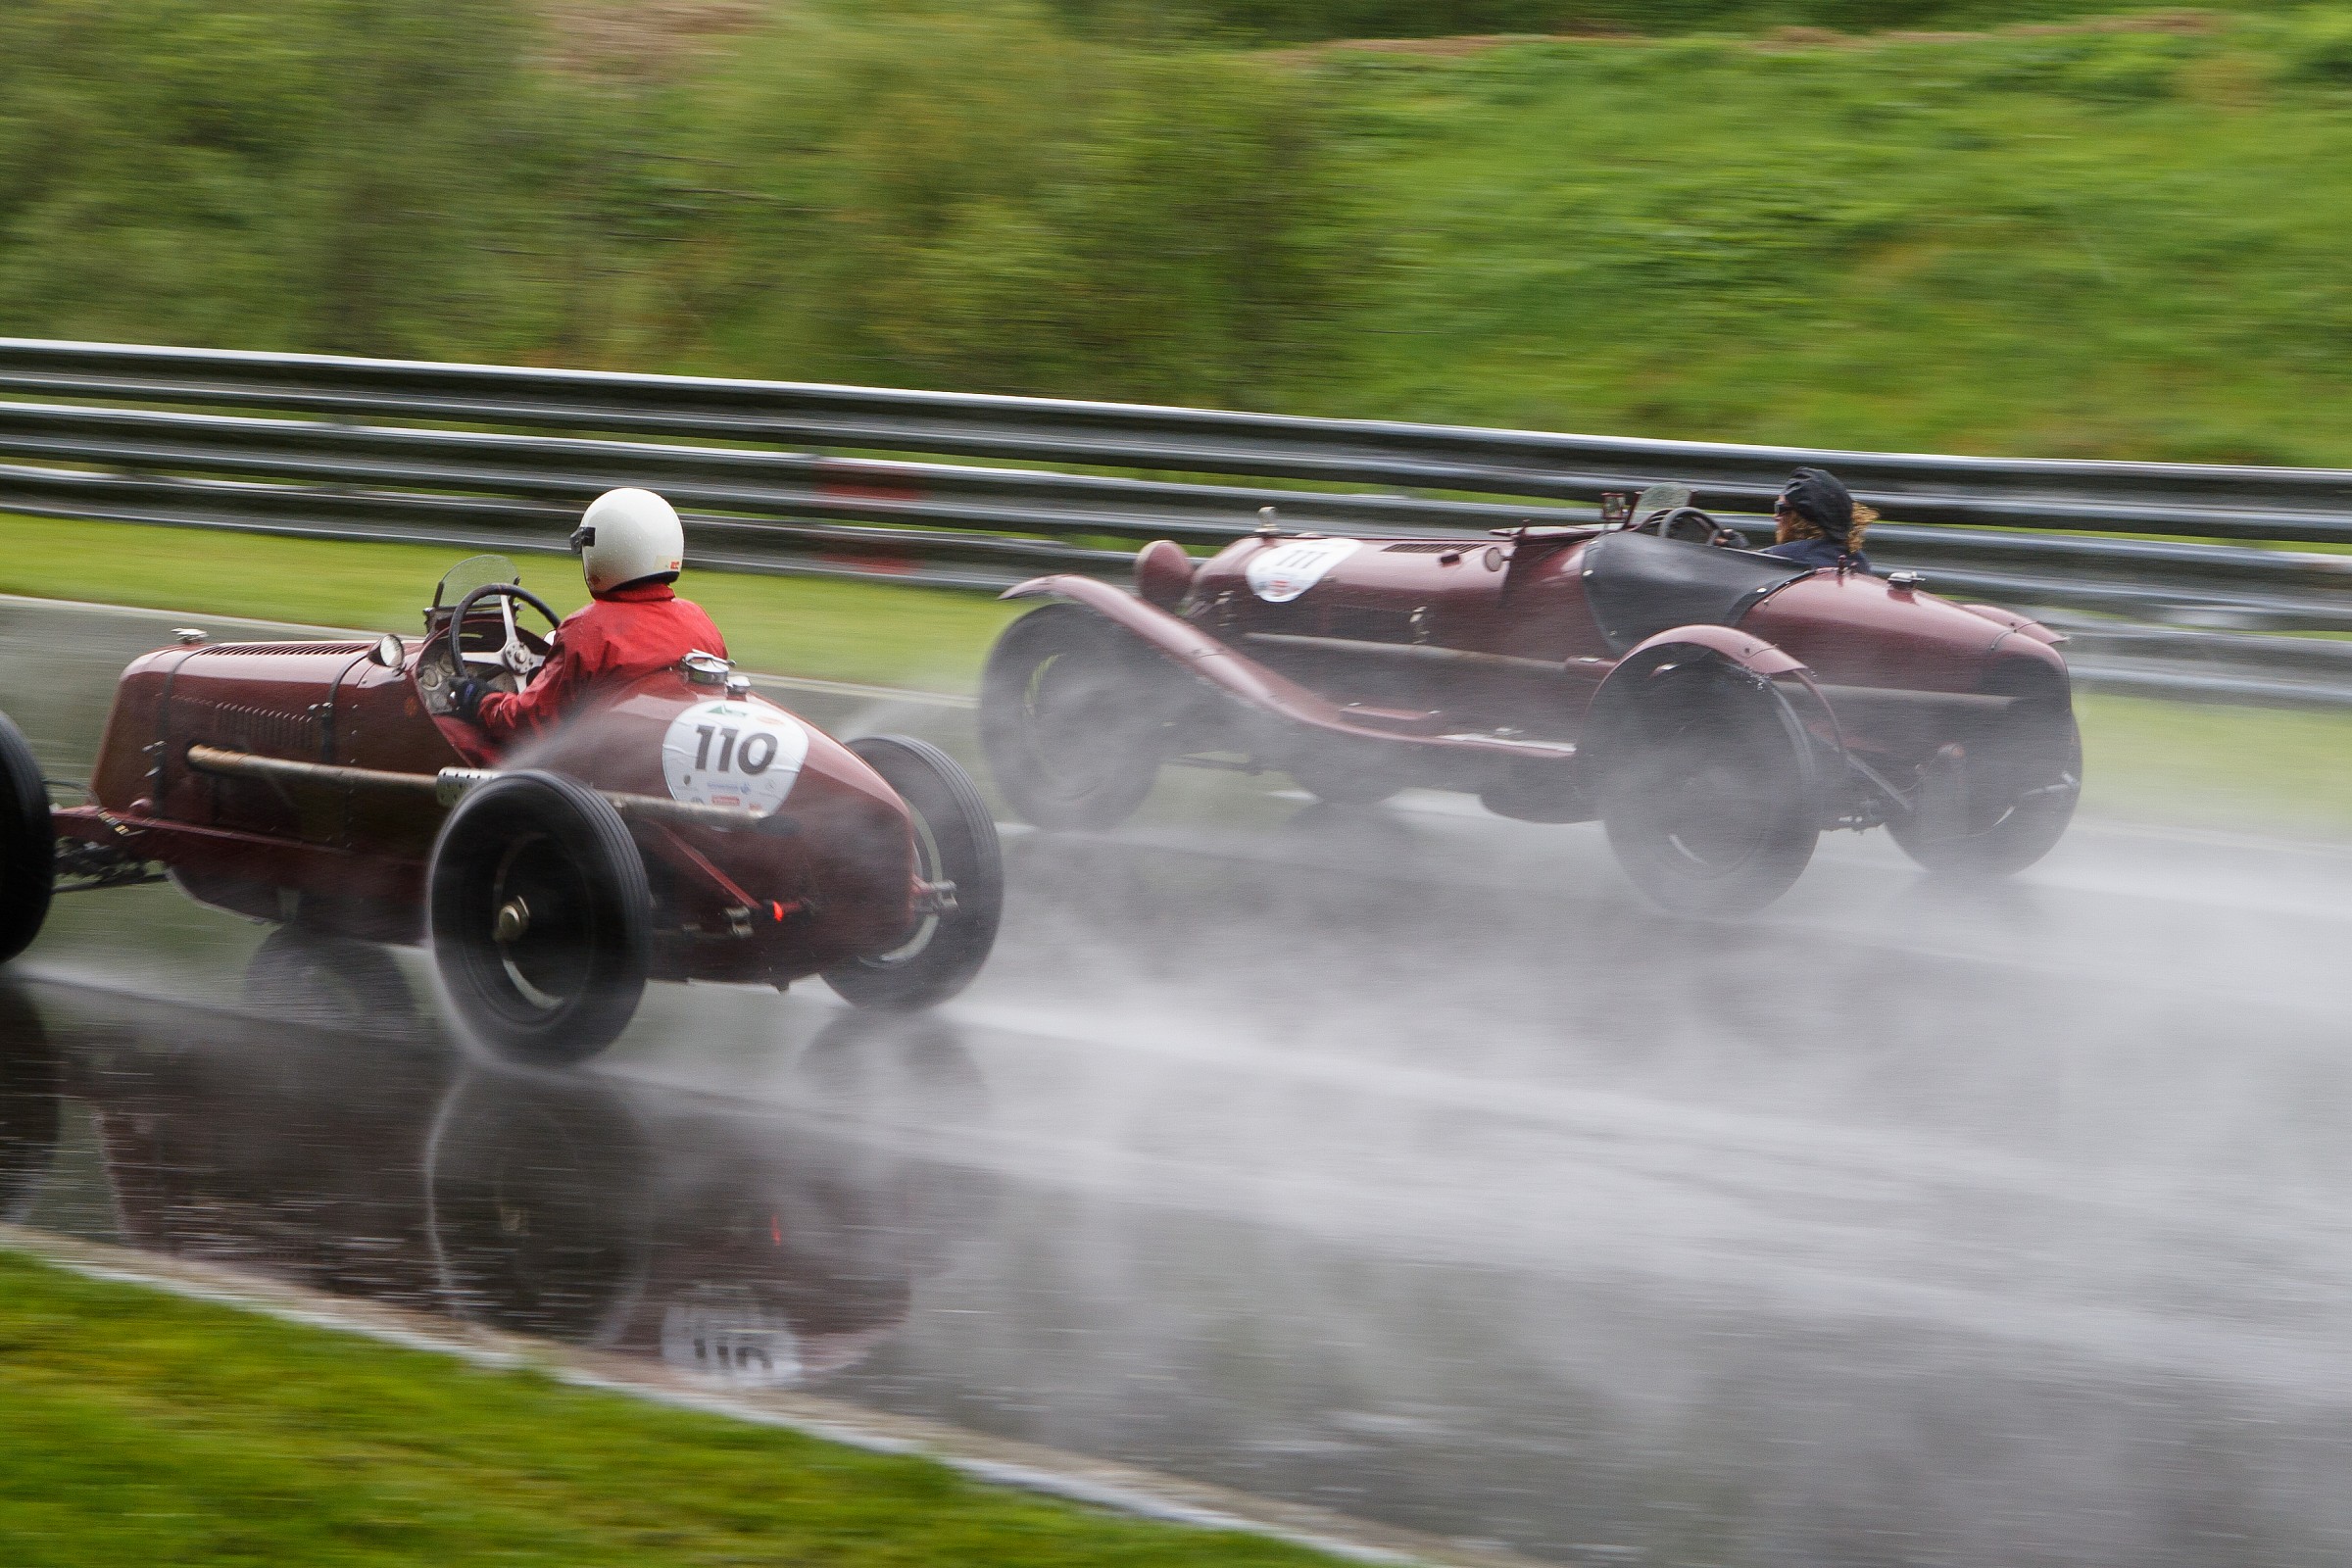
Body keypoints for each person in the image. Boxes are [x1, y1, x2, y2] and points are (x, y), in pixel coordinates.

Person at [457, 488, 728, 741]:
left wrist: (481, 700)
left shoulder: (589, 630)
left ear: (602, 550)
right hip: (669, 752)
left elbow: (530, 722)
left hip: (604, 768)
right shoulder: (698, 619)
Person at [1759, 466, 1875, 572]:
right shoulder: (1859, 562)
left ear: (1801, 518)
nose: (1775, 517)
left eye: (1780, 508)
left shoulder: (1774, 561)